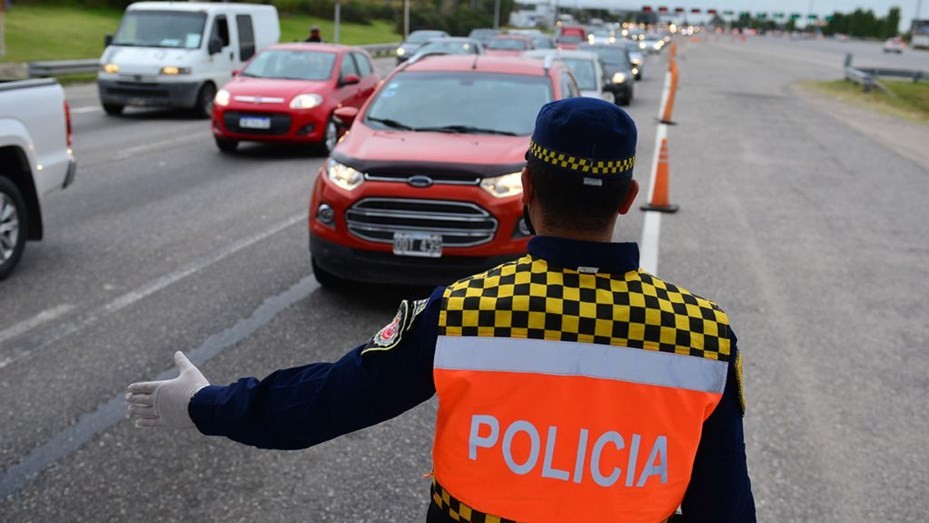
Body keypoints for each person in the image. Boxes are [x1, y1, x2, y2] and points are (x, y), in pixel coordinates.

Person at [127, 98, 755, 522]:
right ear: (628, 198)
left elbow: (325, 402)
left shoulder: (463, 311)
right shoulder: (703, 336)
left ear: (527, 188)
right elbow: (725, 506)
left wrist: (204, 406)